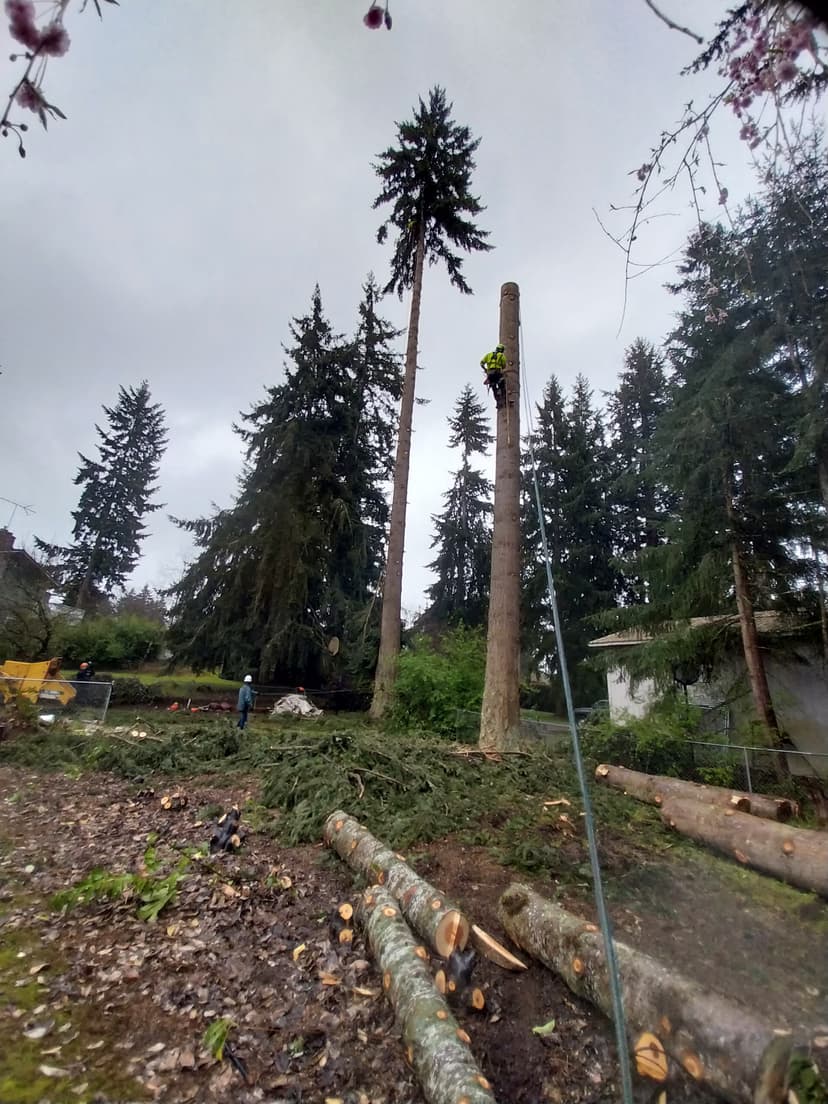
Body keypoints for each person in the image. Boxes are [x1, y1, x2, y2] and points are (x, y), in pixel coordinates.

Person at [480, 343, 507, 408]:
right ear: (502, 350)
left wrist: (485, 369)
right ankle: (505, 401)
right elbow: (504, 366)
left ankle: (498, 403)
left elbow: (481, 363)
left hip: (490, 375)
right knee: (502, 386)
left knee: (494, 388)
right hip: (498, 373)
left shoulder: (488, 355)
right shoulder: (501, 356)